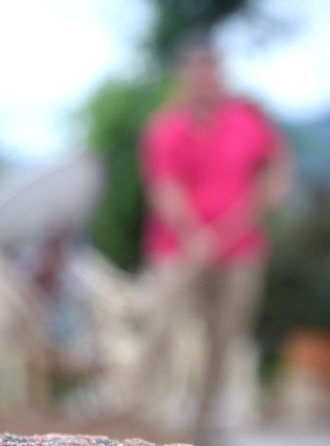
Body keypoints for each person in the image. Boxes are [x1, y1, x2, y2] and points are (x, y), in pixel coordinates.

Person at [138, 38, 291, 445]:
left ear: (219, 73)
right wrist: (196, 235)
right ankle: (142, 417)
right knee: (159, 324)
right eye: (197, 71)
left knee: (225, 338)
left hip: (241, 252)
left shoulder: (248, 121)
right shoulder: (167, 126)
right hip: (177, 250)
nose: (204, 79)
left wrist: (263, 200)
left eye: (211, 70)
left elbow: (275, 167)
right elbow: (164, 187)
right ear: (186, 76)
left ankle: (203, 427)